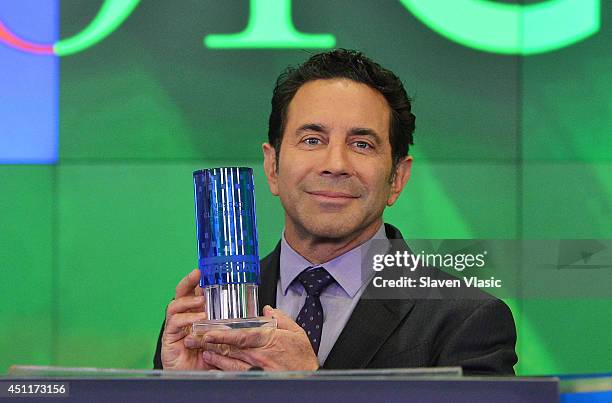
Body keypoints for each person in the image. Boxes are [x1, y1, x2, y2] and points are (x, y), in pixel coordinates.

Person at [153, 49, 517, 374]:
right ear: (272, 167)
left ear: (397, 178)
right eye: (312, 140)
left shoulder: (465, 320)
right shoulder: (207, 315)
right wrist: (183, 390)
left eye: (361, 144)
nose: (335, 164)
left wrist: (314, 386)